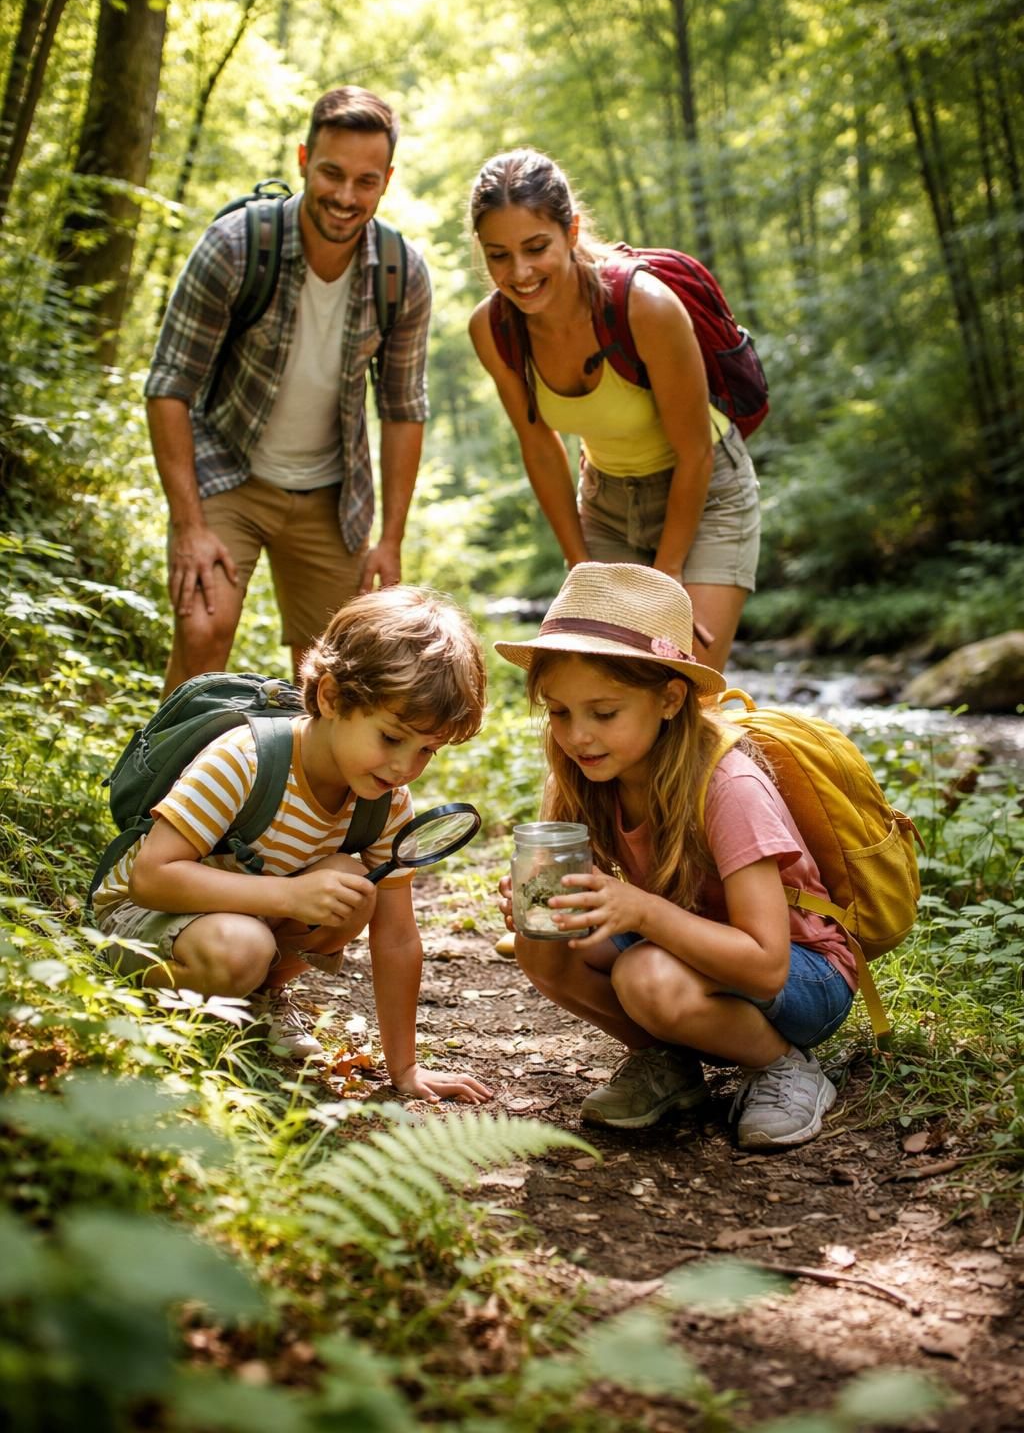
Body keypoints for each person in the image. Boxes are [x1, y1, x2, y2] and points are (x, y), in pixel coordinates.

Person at [493, 563, 856, 1149]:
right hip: (692, 953)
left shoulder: (727, 785)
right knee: (545, 939)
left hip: (803, 974)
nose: (577, 735)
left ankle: (785, 1067)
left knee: (647, 975)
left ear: (669, 698)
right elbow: (581, 910)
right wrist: (547, 903)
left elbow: (768, 964)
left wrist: (639, 912)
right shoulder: (592, 770)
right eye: (559, 712)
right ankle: (669, 1063)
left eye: (603, 712)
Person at [91, 584, 492, 1102]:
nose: (404, 767)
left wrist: (406, 1068)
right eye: (392, 738)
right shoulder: (246, 759)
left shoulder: (386, 802)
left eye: (427, 751)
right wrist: (287, 898)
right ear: (330, 696)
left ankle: (259, 992)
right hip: (139, 916)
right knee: (241, 947)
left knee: (352, 888)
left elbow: (395, 936)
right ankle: (154, 995)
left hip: (239, 916)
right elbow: (152, 877)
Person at [147, 85, 432, 696]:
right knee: (203, 629)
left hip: (332, 496)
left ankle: (295, 793)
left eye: (365, 181)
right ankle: (163, 788)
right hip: (227, 473)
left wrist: (391, 538)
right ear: (304, 160)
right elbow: (169, 386)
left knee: (332, 677)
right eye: (331, 173)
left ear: (386, 181)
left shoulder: (401, 273)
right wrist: (189, 525)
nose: (345, 197)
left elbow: (404, 408)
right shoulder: (235, 247)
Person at [468, 148, 760, 676]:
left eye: (536, 248)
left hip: (707, 494)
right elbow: (538, 445)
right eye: (499, 256)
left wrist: (667, 577)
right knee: (606, 689)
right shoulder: (493, 329)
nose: (520, 272)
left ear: (571, 231)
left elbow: (695, 452)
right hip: (607, 504)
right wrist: (579, 562)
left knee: (686, 685)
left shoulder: (644, 305)